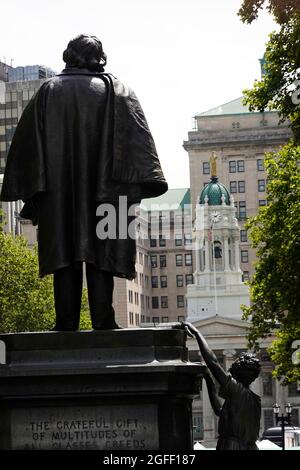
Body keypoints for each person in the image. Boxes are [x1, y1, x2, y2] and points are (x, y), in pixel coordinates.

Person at [0, 34, 168, 331]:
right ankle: (104, 321)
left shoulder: (48, 91)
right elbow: (138, 145)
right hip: (110, 193)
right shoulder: (119, 91)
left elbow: (26, 147)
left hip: (58, 194)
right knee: (102, 255)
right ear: (99, 58)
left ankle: (65, 324)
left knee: (64, 255)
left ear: (69, 56)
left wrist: (35, 194)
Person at [183, 322, 261, 450]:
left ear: (239, 370)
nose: (229, 368)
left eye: (234, 365)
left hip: (234, 446)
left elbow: (212, 362)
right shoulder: (251, 398)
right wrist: (209, 380)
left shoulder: (237, 390)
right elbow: (219, 410)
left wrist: (197, 334)